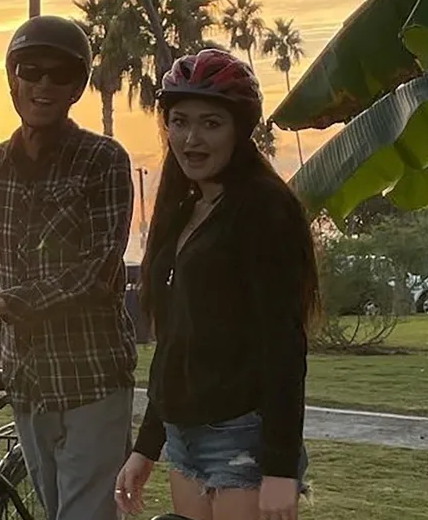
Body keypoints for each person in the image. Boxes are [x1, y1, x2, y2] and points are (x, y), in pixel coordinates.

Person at [0, 15, 137, 520]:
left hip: (92, 378)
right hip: (28, 383)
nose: (43, 84)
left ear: (77, 88)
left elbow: (98, 273)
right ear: (13, 78)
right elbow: (7, 267)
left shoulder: (102, 160)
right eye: (31, 69)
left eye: (61, 74)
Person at [114, 48, 320, 520]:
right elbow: (173, 343)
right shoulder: (183, 210)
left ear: (240, 130)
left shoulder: (264, 209)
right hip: (184, 439)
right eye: (179, 121)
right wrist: (147, 447)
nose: (191, 138)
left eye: (211, 123)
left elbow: (283, 345)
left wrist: (280, 469)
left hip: (242, 438)